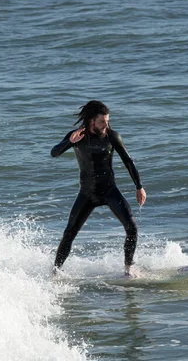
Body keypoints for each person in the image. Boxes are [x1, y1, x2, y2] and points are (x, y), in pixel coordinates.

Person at [51, 100, 147, 277]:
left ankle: (128, 269)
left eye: (108, 121)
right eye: (102, 122)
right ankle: (55, 272)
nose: (106, 125)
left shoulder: (112, 136)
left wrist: (139, 187)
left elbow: (128, 161)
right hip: (87, 194)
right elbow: (54, 153)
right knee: (69, 233)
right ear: (91, 121)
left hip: (110, 191)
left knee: (132, 228)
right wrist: (69, 143)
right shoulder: (77, 136)